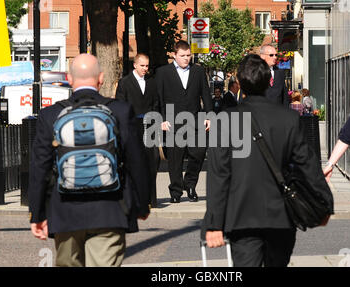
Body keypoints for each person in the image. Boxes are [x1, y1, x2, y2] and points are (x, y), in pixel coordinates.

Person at [203, 54, 333, 267]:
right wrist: (325, 203)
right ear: (268, 82)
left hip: (242, 216)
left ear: (241, 83)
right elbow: (307, 163)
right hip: (281, 215)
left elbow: (219, 174)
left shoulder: (225, 121)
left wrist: (214, 223)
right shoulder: (289, 119)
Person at [29, 54, 151, 267]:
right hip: (110, 210)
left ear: (69, 78)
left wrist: (37, 214)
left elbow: (40, 167)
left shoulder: (50, 115)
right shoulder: (121, 111)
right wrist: (142, 206)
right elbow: (137, 162)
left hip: (65, 212)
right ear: (101, 78)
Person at [156, 40, 212, 203]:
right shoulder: (163, 72)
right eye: (182, 56)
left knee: (199, 152)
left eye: (188, 55)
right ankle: (175, 191)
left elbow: (206, 94)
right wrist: (161, 119)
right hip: (173, 122)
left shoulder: (198, 71)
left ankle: (191, 185)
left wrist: (209, 116)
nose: (186, 58)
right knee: (175, 159)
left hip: (196, 120)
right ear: (174, 55)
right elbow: (158, 98)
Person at [115, 53, 160, 208]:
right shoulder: (125, 83)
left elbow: (156, 104)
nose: (145, 69)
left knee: (152, 162)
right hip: (132, 127)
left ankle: (151, 199)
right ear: (135, 65)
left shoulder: (152, 82)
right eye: (142, 66)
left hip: (149, 126)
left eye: (147, 66)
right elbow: (120, 106)